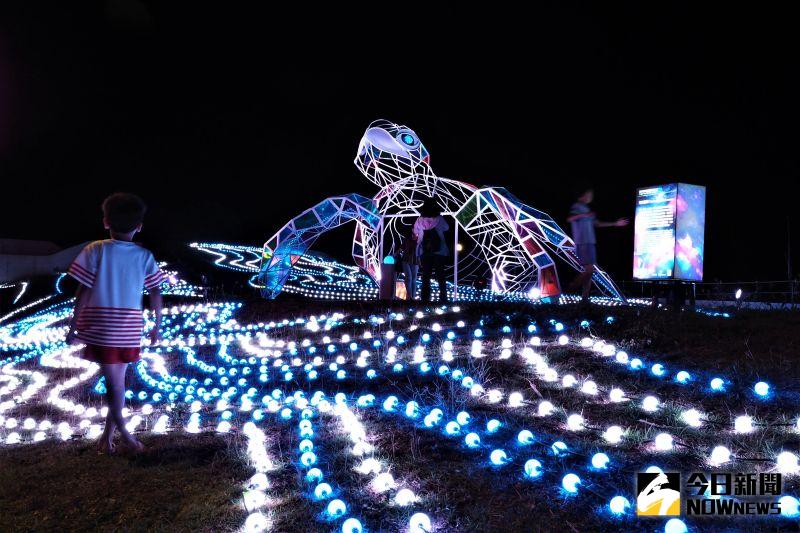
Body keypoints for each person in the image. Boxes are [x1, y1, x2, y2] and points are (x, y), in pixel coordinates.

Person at [65, 193, 165, 454]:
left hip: (103, 327)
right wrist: (157, 326)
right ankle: (110, 440)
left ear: (106, 221)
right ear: (139, 226)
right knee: (117, 384)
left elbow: (83, 291)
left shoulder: (95, 250)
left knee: (116, 386)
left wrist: (73, 326)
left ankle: (123, 439)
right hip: (129, 328)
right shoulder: (145, 256)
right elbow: (155, 292)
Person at [566, 186, 628, 302]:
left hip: (590, 242)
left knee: (590, 272)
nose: (591, 196)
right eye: (589, 194)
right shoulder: (577, 206)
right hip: (582, 242)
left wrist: (615, 223)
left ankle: (584, 299)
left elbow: (598, 224)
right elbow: (570, 219)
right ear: (583, 195)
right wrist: (584, 215)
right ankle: (569, 289)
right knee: (589, 270)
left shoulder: (589, 210)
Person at [413, 197, 450, 303]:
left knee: (426, 275)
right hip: (439, 250)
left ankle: (425, 299)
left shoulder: (419, 219)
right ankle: (443, 298)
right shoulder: (439, 218)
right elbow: (447, 228)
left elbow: (415, 231)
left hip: (424, 250)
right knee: (440, 274)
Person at [399, 226, 419, 300]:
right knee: (409, 277)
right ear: (412, 229)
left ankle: (412, 297)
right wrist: (395, 254)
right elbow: (402, 247)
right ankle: (409, 296)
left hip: (415, 260)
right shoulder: (407, 238)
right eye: (414, 228)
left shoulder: (420, 239)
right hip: (406, 259)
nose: (416, 230)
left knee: (414, 278)